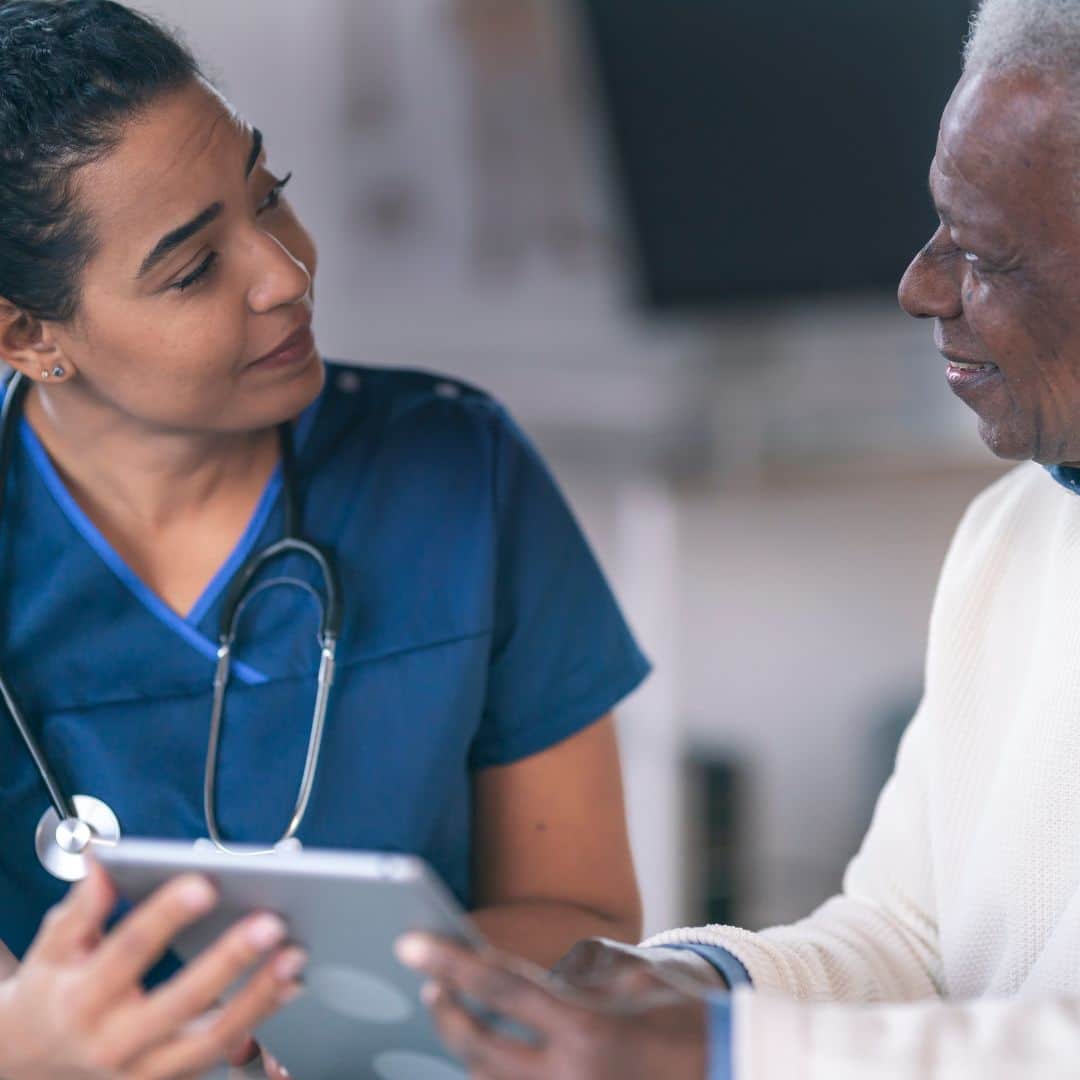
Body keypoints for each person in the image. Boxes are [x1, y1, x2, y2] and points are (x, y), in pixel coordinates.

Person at [396, 0, 1080, 1076]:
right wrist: (687, 984)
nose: (921, 287)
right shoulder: (1019, 528)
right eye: (937, 226)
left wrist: (725, 1053)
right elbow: (906, 934)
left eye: (986, 253)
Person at [0, 1, 648, 1075]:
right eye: (193, 268)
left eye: (270, 199)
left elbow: (583, 914)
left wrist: (369, 1016)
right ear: (27, 333)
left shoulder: (458, 469)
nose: (284, 275)